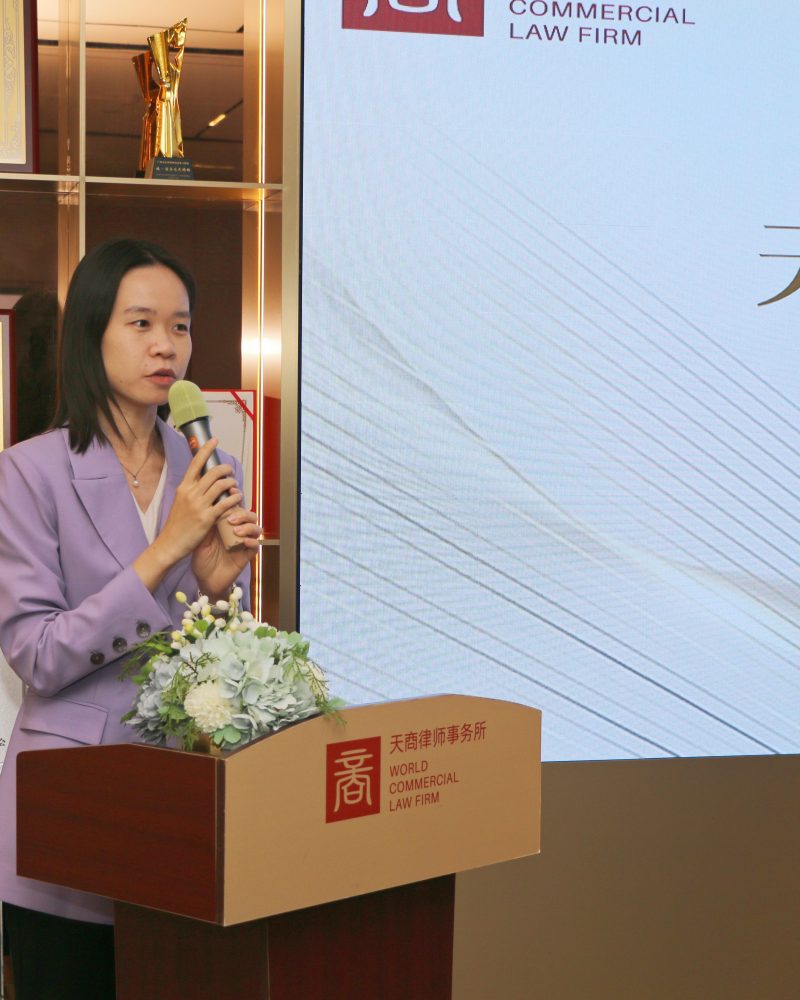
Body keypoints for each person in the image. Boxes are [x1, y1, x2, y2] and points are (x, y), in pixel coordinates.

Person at [0, 238, 263, 1000]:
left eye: (180, 326)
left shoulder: (211, 468)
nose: (166, 346)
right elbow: (38, 654)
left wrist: (216, 591)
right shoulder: (29, 472)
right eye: (141, 323)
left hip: (180, 819)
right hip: (69, 818)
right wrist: (166, 550)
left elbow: (223, 670)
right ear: (93, 333)